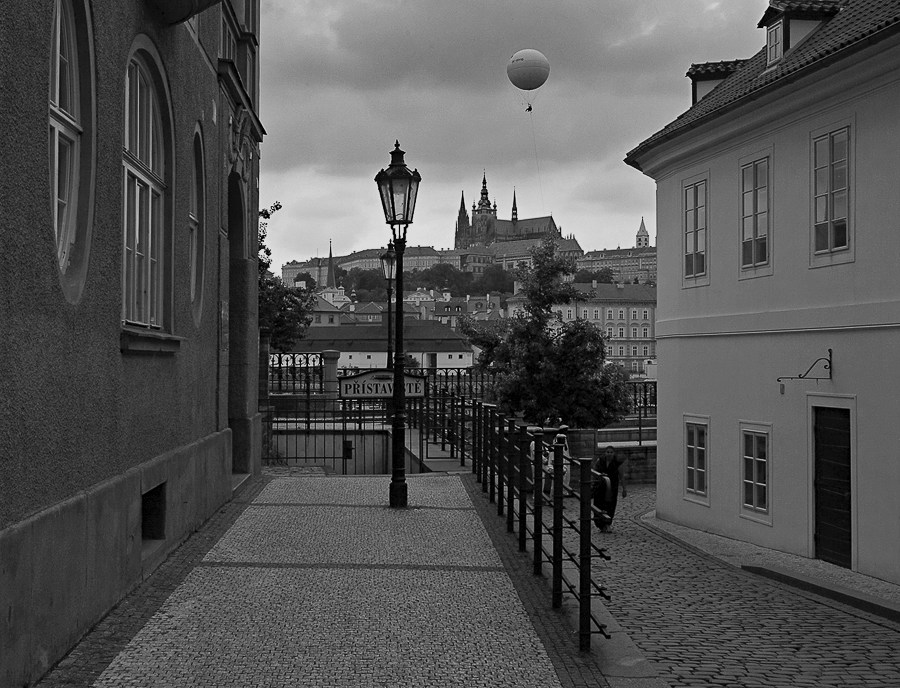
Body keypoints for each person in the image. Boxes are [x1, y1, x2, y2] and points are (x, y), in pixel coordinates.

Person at [593, 445, 627, 531]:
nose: (609, 454)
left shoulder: (617, 463)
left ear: (614, 453)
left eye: (611, 452)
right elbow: (594, 472)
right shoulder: (600, 461)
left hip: (612, 488)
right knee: (599, 504)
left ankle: (607, 523)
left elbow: (622, 476)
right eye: (607, 452)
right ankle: (600, 524)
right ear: (605, 453)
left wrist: (624, 489)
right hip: (600, 487)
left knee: (610, 506)